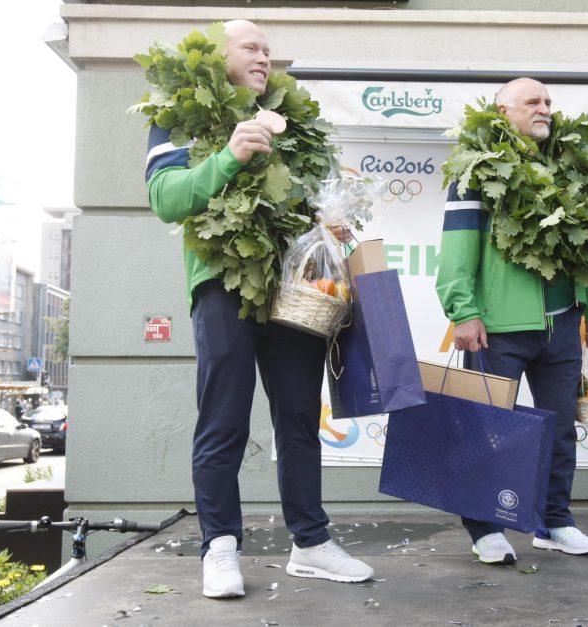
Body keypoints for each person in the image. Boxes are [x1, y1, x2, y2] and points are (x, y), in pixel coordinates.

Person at [145, 20, 373, 599]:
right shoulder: (176, 113)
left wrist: (331, 219)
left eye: (269, 51)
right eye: (251, 47)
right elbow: (166, 200)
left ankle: (311, 543)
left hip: (295, 290)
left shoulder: (293, 123)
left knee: (299, 418)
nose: (264, 58)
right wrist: (228, 155)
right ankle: (220, 546)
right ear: (217, 58)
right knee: (223, 419)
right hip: (223, 284)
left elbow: (313, 203)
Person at [436, 78, 588, 565]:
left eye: (549, 101)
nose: (545, 108)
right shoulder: (476, 171)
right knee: (487, 429)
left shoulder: (567, 171)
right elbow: (455, 251)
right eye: (532, 102)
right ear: (503, 112)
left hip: (560, 326)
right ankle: (483, 526)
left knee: (560, 430)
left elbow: (583, 249)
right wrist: (463, 310)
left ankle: (555, 521)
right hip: (498, 328)